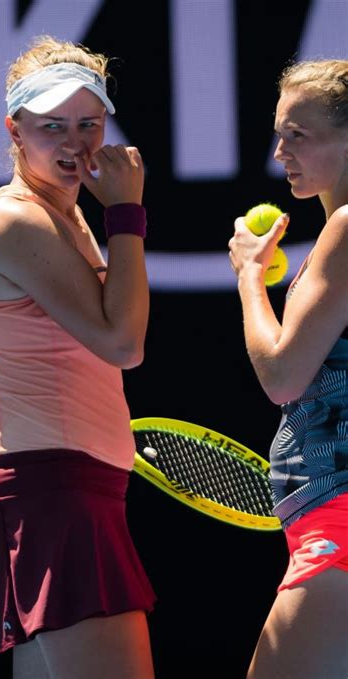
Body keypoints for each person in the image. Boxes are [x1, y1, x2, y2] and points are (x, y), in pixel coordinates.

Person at [0, 35, 156, 678]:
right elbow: (124, 344)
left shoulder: (65, 219)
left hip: (71, 490)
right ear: (15, 131)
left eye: (88, 124)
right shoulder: (16, 221)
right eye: (52, 127)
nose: (74, 143)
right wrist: (127, 211)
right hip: (55, 495)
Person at [228, 59, 348, 679]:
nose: (280, 153)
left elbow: (282, 376)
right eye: (279, 133)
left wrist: (250, 278)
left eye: (298, 135)